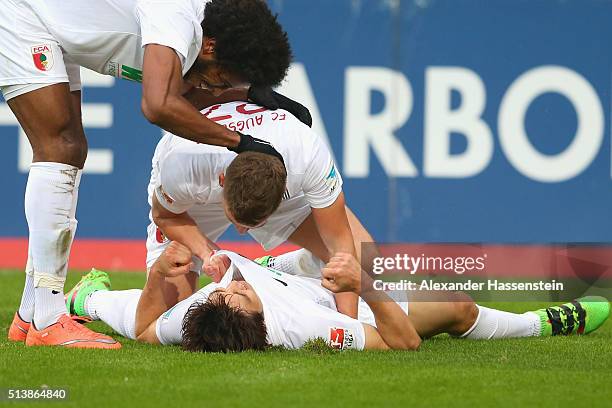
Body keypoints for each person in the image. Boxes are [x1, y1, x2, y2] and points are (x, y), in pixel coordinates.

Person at [4, 0, 308, 348]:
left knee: (69, 147)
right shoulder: (177, 14)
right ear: (211, 46)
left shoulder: (200, 34)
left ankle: (30, 314)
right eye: (221, 78)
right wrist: (241, 142)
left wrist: (250, 94)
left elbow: (185, 93)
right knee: (60, 147)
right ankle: (46, 320)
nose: (216, 90)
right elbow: (159, 104)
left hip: (53, 24)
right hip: (24, 13)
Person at [63, 242, 610, 351]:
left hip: (286, 272)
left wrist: (161, 272)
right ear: (253, 317)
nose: (225, 291)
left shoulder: (196, 316)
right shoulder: (304, 329)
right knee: (456, 306)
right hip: (326, 296)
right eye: (234, 297)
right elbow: (402, 345)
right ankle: (546, 321)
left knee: (119, 308)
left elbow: (139, 327)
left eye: (222, 293)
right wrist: (364, 287)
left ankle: (82, 298)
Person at [145, 98, 370, 317]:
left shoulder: (308, 156)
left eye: (254, 224)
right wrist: (208, 254)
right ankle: (277, 267)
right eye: (236, 222)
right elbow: (164, 216)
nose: (241, 232)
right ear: (222, 180)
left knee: (365, 256)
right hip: (196, 195)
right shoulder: (184, 167)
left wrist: (347, 323)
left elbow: (340, 246)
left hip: (267, 179)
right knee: (164, 316)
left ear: (282, 194)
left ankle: (275, 267)